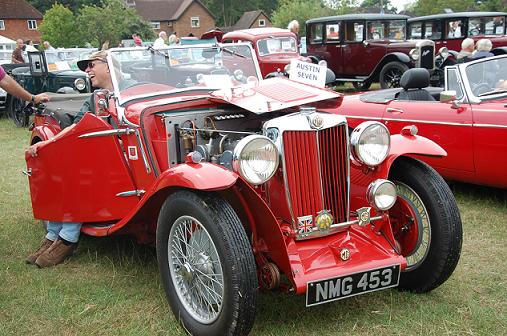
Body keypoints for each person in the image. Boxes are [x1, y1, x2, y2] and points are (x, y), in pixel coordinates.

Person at [25, 50, 113, 268]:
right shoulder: (94, 98)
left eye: (92, 65)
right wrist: (47, 143)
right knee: (62, 168)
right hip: (102, 156)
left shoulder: (129, 93)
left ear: (109, 65)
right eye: (87, 66)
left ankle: (67, 235)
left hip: (118, 158)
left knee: (77, 170)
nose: (87, 70)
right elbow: (76, 126)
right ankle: (59, 235)